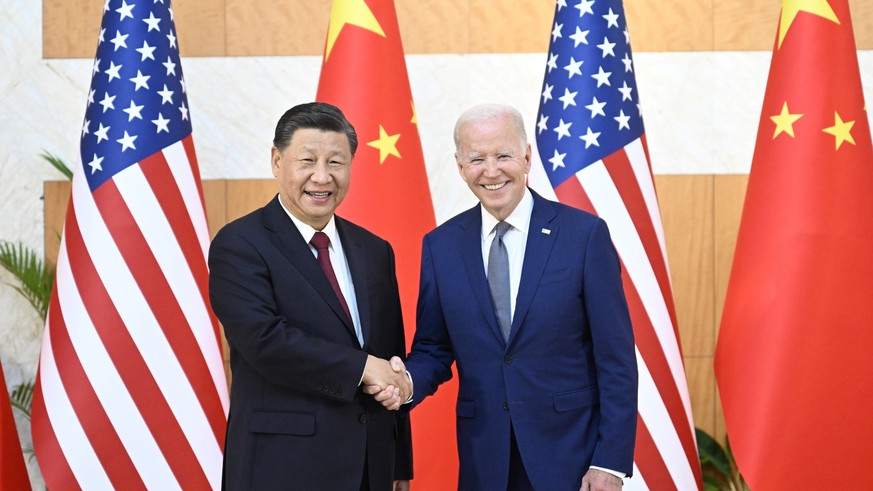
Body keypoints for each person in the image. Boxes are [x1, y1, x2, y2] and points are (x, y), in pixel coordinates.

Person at [372, 104, 638, 490]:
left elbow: (615, 360)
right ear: (461, 166)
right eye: (477, 158)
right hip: (486, 461)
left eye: (503, 155)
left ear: (526, 157)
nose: (491, 171)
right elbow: (433, 347)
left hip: (572, 459)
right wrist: (407, 382)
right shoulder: (441, 246)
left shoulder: (583, 236)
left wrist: (610, 463)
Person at [209, 102, 413, 490]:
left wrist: (399, 462)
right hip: (282, 466)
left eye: (336, 162)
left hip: (371, 467)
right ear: (276, 161)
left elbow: (390, 357)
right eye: (307, 161)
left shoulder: (374, 250)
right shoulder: (240, 244)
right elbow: (264, 342)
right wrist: (360, 368)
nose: (322, 177)